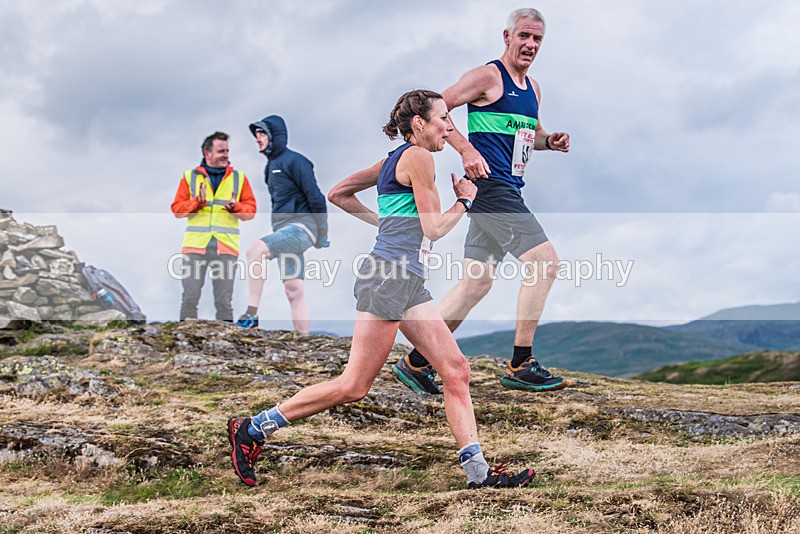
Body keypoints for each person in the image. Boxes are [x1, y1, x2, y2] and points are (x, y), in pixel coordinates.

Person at [227, 90, 535, 489]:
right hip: (388, 279)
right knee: (353, 386)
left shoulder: (393, 160)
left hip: (406, 283)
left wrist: (385, 225)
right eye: (443, 118)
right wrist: (464, 200)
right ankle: (252, 429)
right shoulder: (419, 157)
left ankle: (479, 475)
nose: (449, 126)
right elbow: (434, 230)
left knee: (456, 370)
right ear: (420, 124)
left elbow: (338, 193)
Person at [392, 8, 571, 394]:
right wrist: (466, 150)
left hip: (505, 189)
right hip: (492, 189)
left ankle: (415, 362)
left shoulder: (534, 88)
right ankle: (521, 362)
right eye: (523, 36)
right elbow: (437, 107)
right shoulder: (487, 76)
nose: (530, 45)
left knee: (476, 283)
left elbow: (532, 134)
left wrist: (549, 142)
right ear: (506, 37)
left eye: (537, 39)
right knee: (544, 262)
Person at [235, 115, 329, 333]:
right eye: (256, 134)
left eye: (262, 134)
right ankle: (304, 341)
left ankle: (251, 314)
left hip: (300, 229)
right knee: (293, 288)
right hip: (285, 231)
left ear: (274, 136)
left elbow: (316, 197)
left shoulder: (296, 161)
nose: (258, 139)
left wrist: (321, 233)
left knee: (255, 251)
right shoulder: (270, 167)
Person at [171, 131, 257, 321]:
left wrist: (236, 207)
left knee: (224, 301)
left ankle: (227, 345)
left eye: (227, 151)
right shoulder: (189, 177)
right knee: (190, 297)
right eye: (221, 151)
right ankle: (184, 339)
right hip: (195, 246)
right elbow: (177, 210)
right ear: (207, 153)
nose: (226, 155)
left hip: (226, 246)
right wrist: (197, 202)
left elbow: (250, 212)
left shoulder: (239, 178)